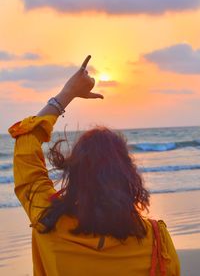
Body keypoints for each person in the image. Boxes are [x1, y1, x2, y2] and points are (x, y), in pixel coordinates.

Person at [9, 56, 180, 276]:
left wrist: (66, 94)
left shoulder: (48, 219)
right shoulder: (156, 240)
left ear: (74, 173)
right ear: (128, 175)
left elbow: (26, 143)